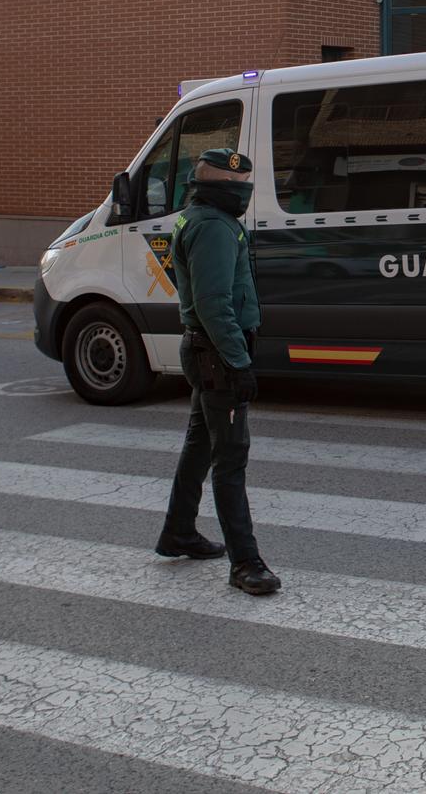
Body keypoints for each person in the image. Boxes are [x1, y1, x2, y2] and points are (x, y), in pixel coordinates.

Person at [158, 148, 280, 596]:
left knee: (199, 444)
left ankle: (178, 532)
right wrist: (238, 360)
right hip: (217, 355)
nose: (242, 194)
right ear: (214, 186)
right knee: (230, 459)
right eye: (234, 187)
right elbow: (213, 302)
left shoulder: (200, 218)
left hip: (205, 350)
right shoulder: (212, 227)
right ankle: (245, 563)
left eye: (244, 185)